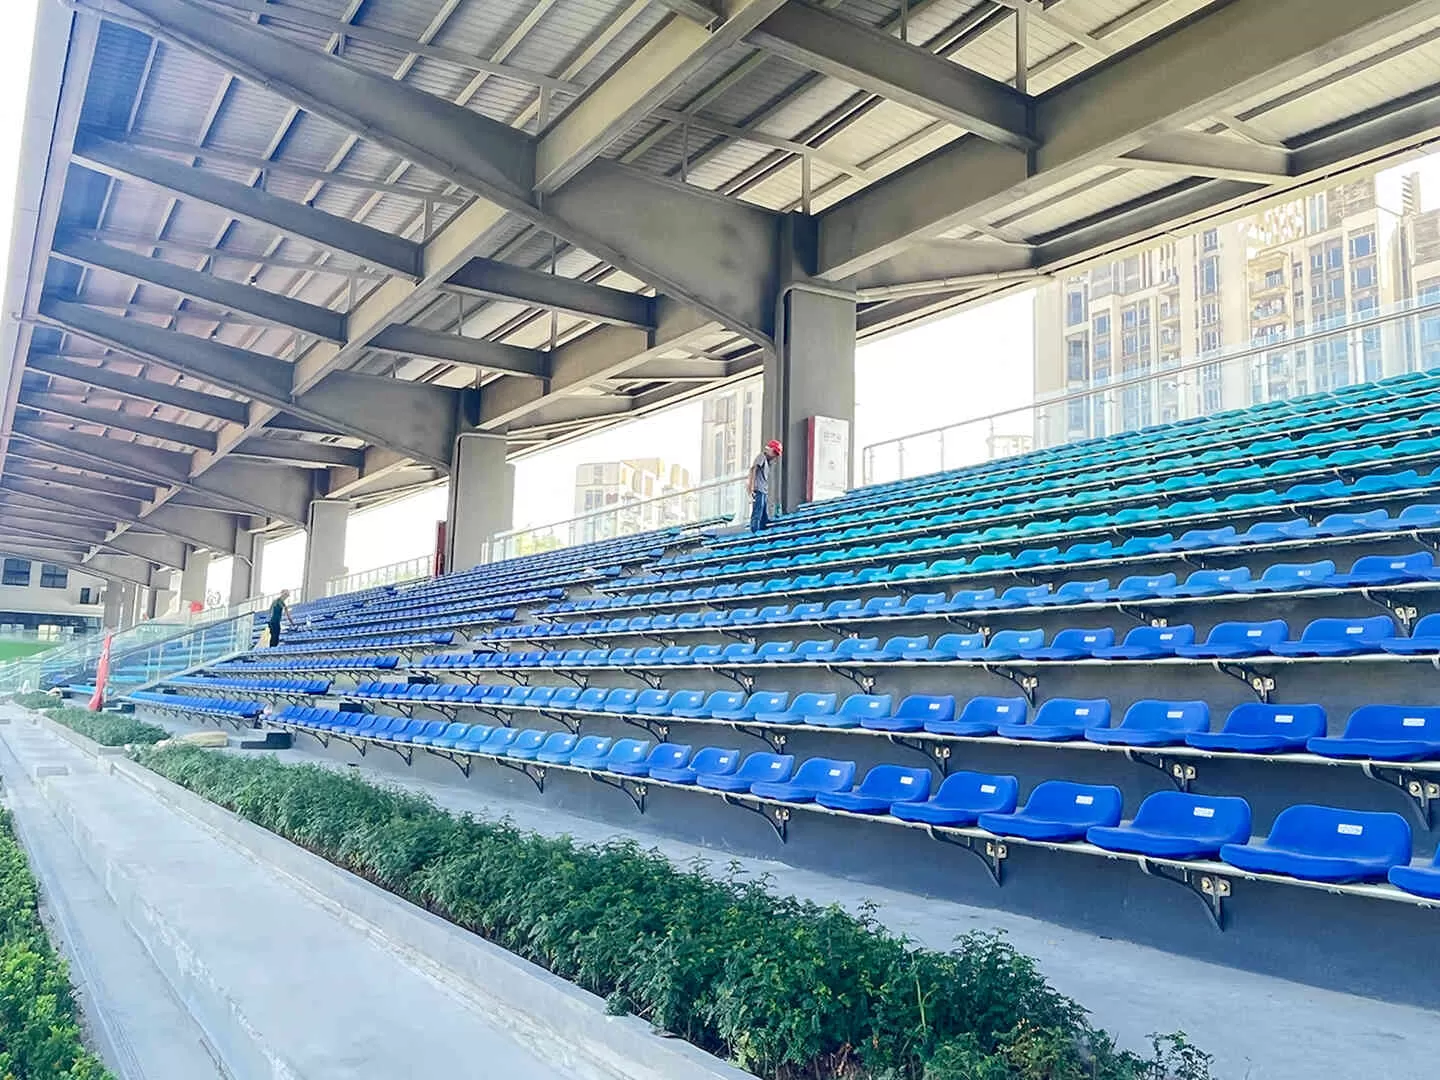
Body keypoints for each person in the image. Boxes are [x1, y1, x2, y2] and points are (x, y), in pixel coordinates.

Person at [748, 439, 783, 532]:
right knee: (757, 512)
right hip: (758, 489)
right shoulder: (761, 456)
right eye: (774, 452)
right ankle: (755, 532)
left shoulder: (768, 462)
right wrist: (751, 487)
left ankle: (763, 531)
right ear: (770, 449)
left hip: (763, 490)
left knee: (764, 514)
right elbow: (753, 469)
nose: (775, 455)